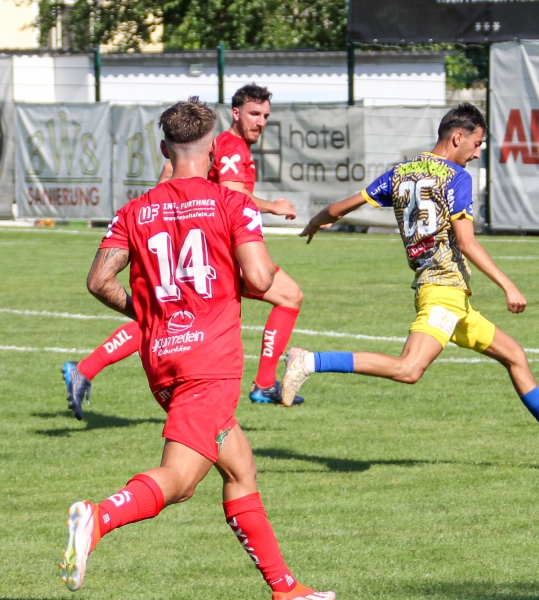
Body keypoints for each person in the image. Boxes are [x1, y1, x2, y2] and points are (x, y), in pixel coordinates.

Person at [59, 97, 334, 600]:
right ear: (213, 152)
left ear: (165, 148)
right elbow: (258, 275)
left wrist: (150, 312)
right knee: (181, 481)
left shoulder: (135, 210)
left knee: (240, 469)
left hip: (164, 360)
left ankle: (286, 589)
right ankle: (97, 518)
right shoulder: (229, 203)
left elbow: (99, 280)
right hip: (211, 364)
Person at [282, 103, 539, 466]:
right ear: (458, 137)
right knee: (409, 369)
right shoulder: (456, 177)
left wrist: (316, 222)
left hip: (452, 298)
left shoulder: (400, 172)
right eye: (477, 144)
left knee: (515, 356)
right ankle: (309, 361)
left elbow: (341, 207)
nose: (478, 153)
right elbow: (466, 242)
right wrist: (507, 285)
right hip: (443, 294)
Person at [63, 84, 304, 417]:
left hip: (183, 237)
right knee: (281, 297)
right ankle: (263, 383)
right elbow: (234, 195)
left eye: (265, 116)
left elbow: (169, 183)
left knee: (169, 309)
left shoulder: (190, 155)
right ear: (234, 115)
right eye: (254, 113)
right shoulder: (228, 147)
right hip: (205, 247)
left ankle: (87, 367)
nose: (260, 122)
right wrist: (274, 207)